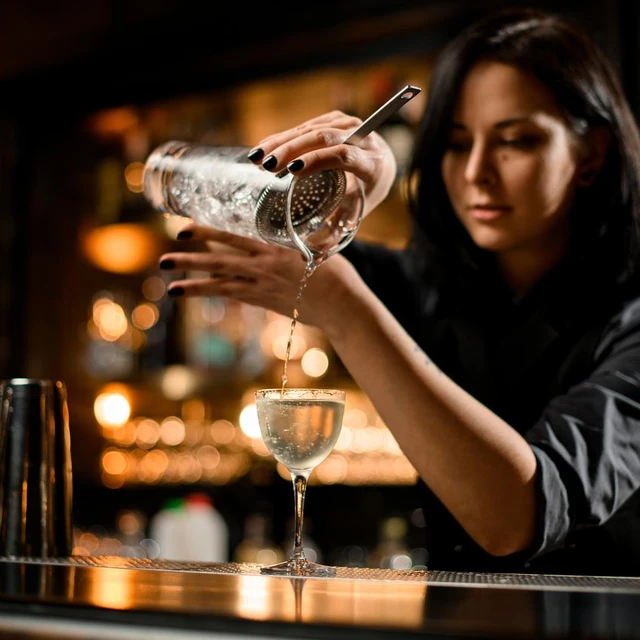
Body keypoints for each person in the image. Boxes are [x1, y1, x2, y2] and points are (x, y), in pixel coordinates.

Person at [157, 7, 640, 576]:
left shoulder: (629, 319)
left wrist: (348, 314)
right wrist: (365, 188)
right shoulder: (429, 285)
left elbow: (518, 517)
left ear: (591, 154)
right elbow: (248, 225)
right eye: (457, 144)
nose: (477, 172)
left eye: (516, 141)